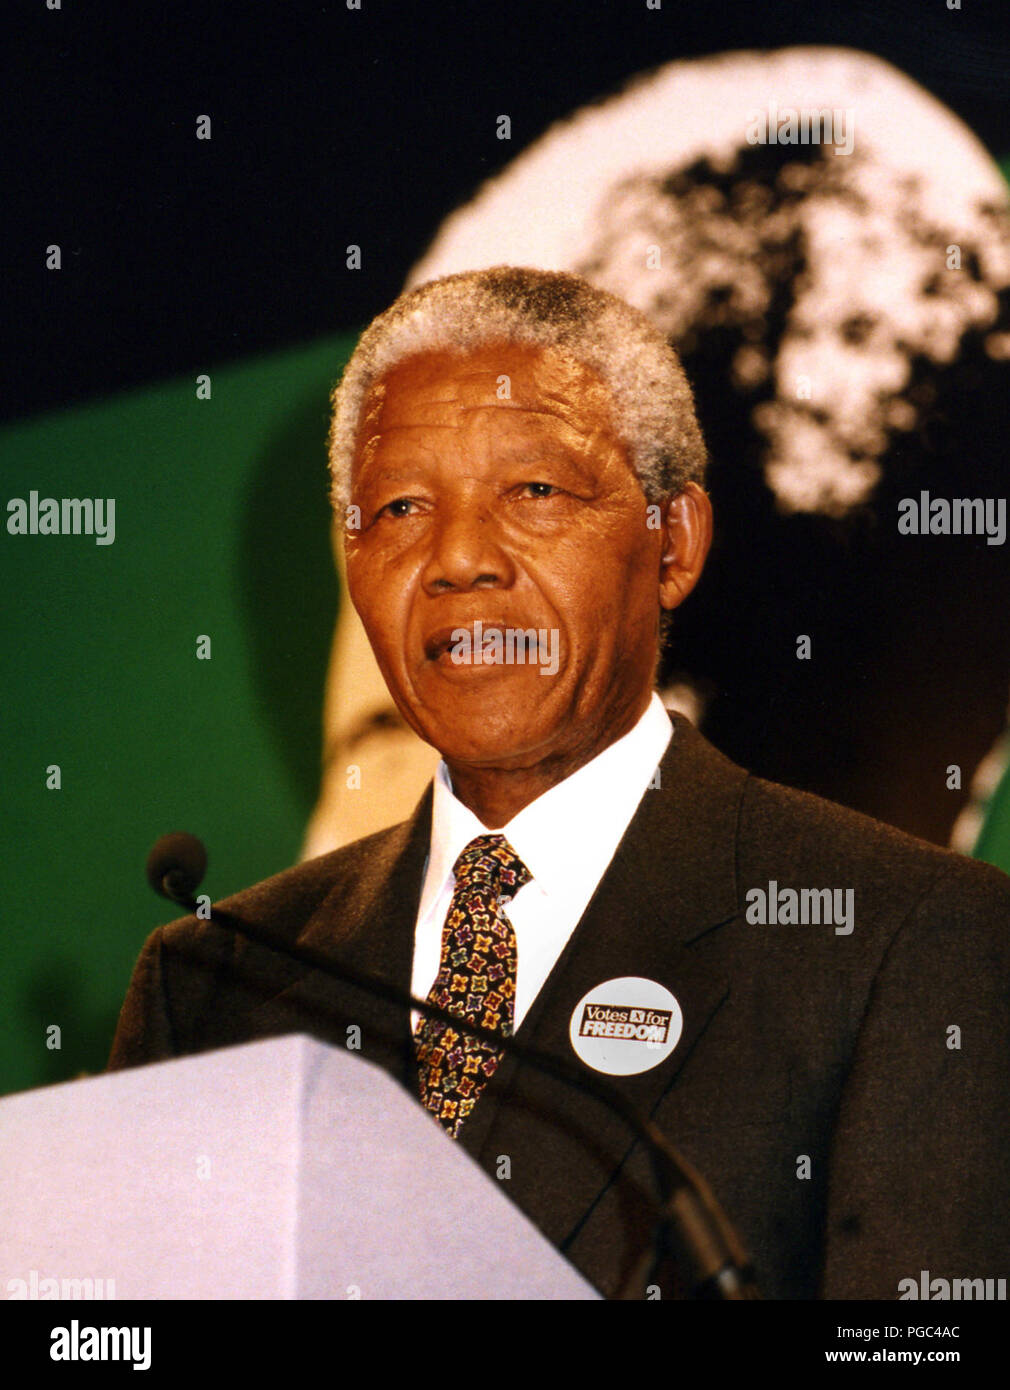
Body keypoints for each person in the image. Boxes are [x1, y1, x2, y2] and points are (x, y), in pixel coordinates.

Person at [108, 266, 1010, 1300]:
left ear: (672, 542)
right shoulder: (214, 986)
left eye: (533, 491)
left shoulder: (906, 940)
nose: (456, 559)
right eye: (398, 506)